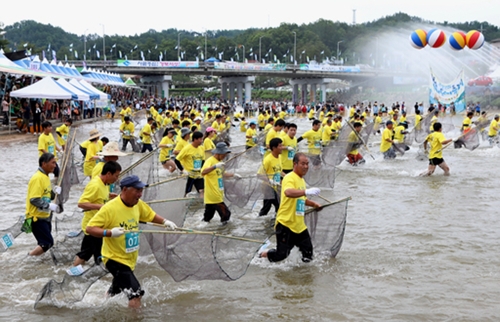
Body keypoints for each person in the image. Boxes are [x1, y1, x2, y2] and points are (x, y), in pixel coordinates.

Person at [86, 175, 177, 309]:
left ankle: (99, 305)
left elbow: (151, 216)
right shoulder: (109, 208)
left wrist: (165, 222)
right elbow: (90, 228)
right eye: (137, 190)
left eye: (141, 191)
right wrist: (109, 232)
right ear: (124, 189)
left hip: (129, 258)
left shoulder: (138, 204)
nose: (140, 194)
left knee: (115, 290)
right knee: (136, 294)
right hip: (114, 258)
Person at [259, 152, 322, 262]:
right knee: (281, 255)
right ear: (295, 164)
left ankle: (304, 277)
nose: (306, 166)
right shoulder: (289, 178)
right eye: (303, 164)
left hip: (299, 225)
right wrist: (306, 191)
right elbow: (288, 192)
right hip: (286, 224)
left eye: (307, 164)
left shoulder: (301, 180)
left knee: (308, 253)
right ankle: (264, 254)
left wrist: (314, 204)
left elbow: (301, 199)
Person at [73, 161, 122, 267]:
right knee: (99, 257)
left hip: (96, 225)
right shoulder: (95, 184)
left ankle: (72, 274)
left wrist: (109, 195)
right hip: (93, 227)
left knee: (85, 253)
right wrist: (100, 207)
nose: (117, 179)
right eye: (116, 176)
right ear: (108, 174)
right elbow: (81, 203)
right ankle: (101, 279)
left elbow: (98, 197)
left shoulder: (104, 184)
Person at [24, 153, 62, 256]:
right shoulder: (37, 178)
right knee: (47, 243)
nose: (55, 165)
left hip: (45, 217)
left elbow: (48, 196)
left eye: (55, 163)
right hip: (36, 217)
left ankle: (36, 260)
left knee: (44, 243)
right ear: (44, 163)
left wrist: (55, 192)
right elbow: (34, 199)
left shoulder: (46, 177)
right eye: (53, 163)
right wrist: (49, 206)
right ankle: (29, 258)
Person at [201, 142, 237, 225]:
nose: (225, 156)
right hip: (214, 194)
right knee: (226, 214)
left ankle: (203, 230)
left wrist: (233, 175)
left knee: (208, 218)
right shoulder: (210, 161)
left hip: (216, 193)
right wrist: (215, 166)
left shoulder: (220, 162)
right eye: (224, 153)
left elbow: (223, 173)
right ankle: (223, 232)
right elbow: (203, 172)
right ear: (218, 152)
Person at [258, 138, 284, 217]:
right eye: (280, 146)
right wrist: (270, 180)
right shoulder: (267, 160)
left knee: (266, 207)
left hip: (275, 187)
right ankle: (276, 222)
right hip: (268, 187)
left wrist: (289, 177)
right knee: (279, 205)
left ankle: (261, 222)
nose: (282, 147)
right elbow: (259, 175)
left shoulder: (279, 157)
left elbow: (279, 172)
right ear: (274, 148)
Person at [176, 131, 205, 198]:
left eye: (202, 139)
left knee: (202, 190)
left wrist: (202, 170)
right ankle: (185, 204)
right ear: (195, 139)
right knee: (188, 193)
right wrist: (183, 170)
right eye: (200, 139)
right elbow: (177, 160)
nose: (202, 141)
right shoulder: (187, 148)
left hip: (198, 174)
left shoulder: (201, 148)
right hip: (190, 174)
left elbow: (203, 160)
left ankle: (201, 205)